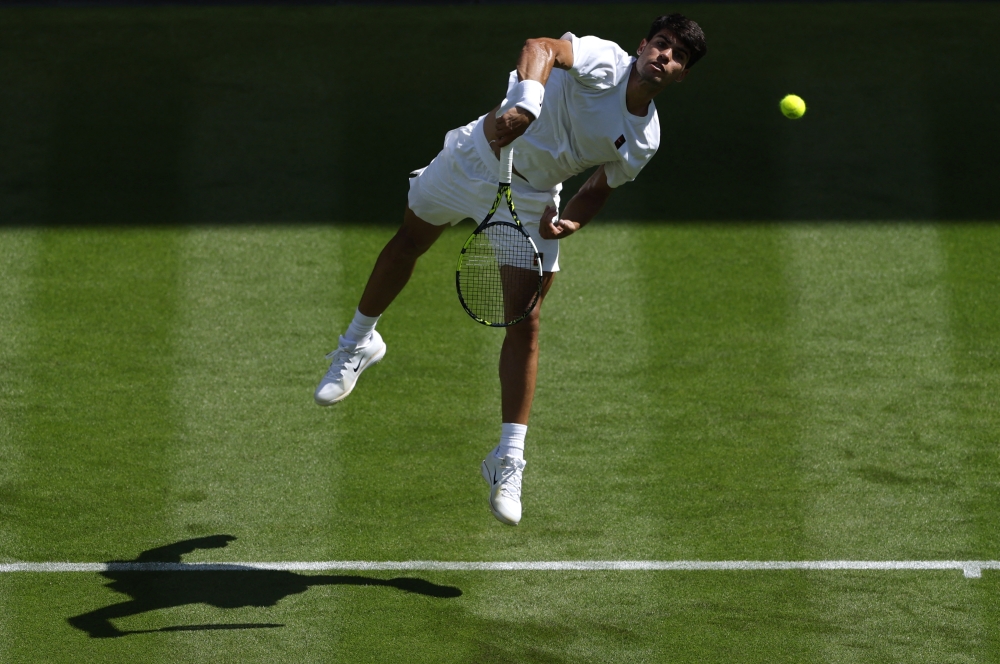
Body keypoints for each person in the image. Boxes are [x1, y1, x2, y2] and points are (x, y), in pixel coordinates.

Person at [314, 14, 707, 526]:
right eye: (661, 44)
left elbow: (601, 185)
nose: (665, 56)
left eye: (678, 56)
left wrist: (571, 221)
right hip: (474, 158)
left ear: (681, 75)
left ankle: (508, 459)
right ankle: (358, 343)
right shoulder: (606, 63)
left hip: (531, 199)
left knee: (526, 322)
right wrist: (527, 104)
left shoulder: (644, 138)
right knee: (409, 241)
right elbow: (541, 47)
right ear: (643, 46)